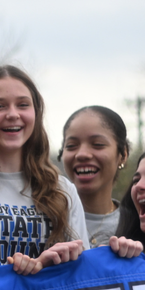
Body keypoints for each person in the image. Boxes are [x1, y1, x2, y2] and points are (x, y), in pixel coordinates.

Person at [0, 65, 88, 266]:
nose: (13, 114)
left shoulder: (62, 189)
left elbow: (82, 268)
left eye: (23, 105)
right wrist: (25, 271)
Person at [59, 106, 130, 247]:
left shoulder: (139, 225)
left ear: (123, 155)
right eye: (71, 146)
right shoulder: (43, 220)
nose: (82, 154)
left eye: (97, 144)